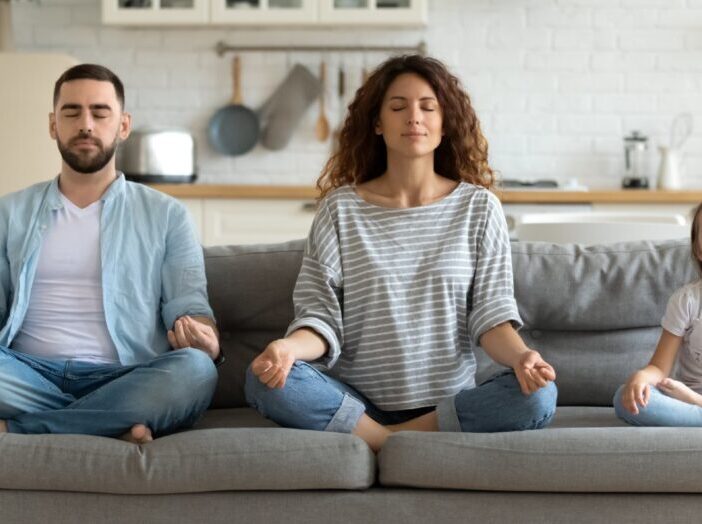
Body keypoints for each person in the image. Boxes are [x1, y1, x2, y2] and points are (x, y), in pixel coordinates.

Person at [245, 54, 557, 452]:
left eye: (428, 107)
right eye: (398, 107)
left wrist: (523, 357)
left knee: (539, 395)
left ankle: (382, 443)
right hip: (356, 400)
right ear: (377, 123)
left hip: (448, 402)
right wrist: (287, 348)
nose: (414, 117)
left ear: (446, 124)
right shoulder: (340, 209)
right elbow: (320, 317)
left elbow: (492, 316)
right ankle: (396, 440)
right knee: (263, 379)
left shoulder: (479, 207)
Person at [0, 63, 222, 444]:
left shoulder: (167, 214)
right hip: (28, 373)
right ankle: (111, 423)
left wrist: (208, 341)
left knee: (196, 371)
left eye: (100, 112)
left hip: (126, 374)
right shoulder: (9, 212)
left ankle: (20, 430)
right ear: (53, 125)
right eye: (72, 112)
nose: (86, 124)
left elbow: (189, 305)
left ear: (123, 125)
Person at [614, 202, 702, 426]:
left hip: (690, 400)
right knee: (626, 399)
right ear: (699, 249)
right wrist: (642, 377)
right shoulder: (687, 300)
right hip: (684, 404)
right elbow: (660, 367)